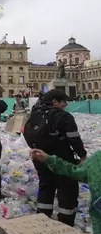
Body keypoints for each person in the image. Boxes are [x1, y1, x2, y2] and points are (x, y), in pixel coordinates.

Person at [25, 89, 86, 226]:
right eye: (64, 101)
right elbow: (74, 139)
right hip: (62, 159)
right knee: (67, 189)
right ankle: (65, 222)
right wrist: (82, 156)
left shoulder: (34, 115)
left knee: (46, 186)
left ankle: (42, 220)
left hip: (40, 158)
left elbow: (27, 134)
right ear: (55, 102)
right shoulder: (64, 117)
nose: (66, 104)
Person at [29, 148, 101, 234]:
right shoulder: (97, 161)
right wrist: (48, 159)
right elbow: (74, 171)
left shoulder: (97, 160)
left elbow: (73, 171)